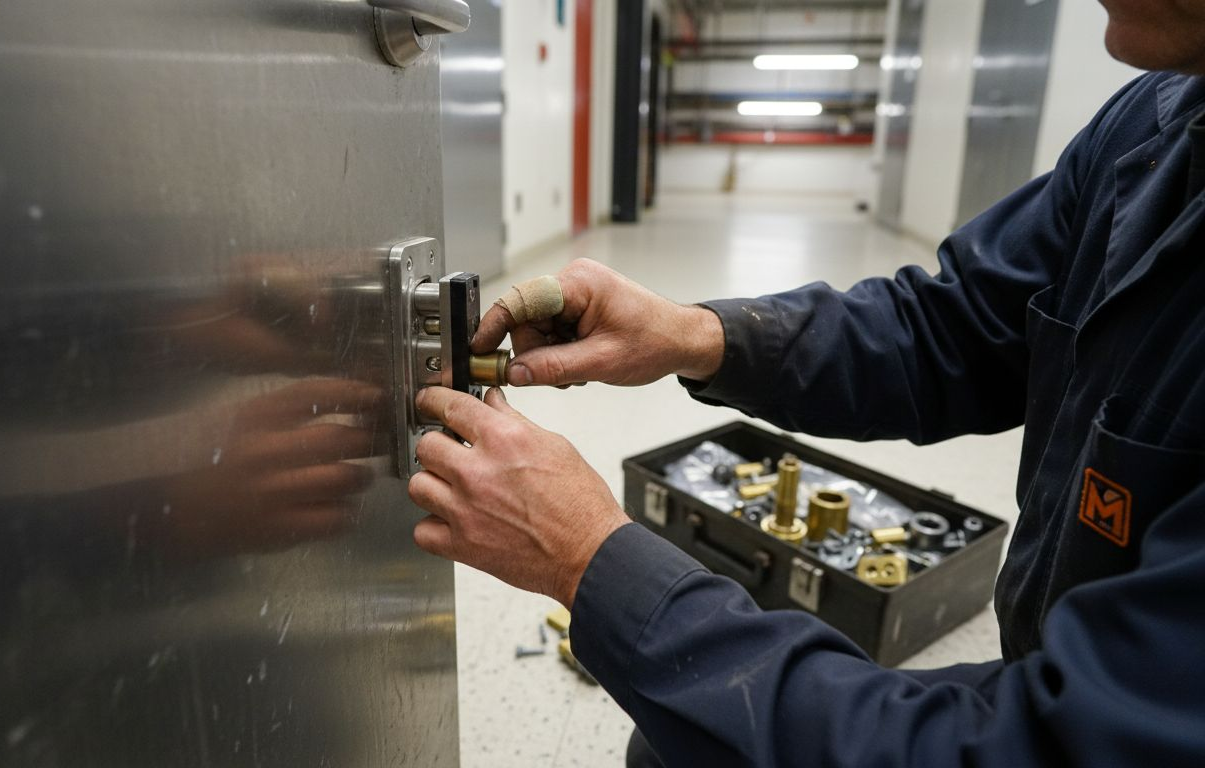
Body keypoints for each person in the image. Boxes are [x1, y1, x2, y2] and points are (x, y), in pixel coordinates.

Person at [406, 3, 1205, 765]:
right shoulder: (1156, 124)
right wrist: (695, 336)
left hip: (1078, 725)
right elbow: (950, 328)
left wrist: (588, 561)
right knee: (673, 746)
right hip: (1066, 675)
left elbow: (1048, 748)